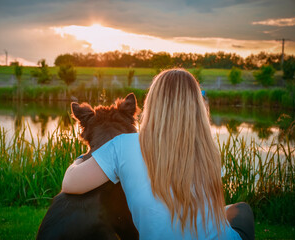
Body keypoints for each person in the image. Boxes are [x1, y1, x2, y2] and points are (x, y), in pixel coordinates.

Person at [62, 68, 254, 239]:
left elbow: (69, 184)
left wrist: (82, 159)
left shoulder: (122, 146)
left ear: (151, 104)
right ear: (197, 108)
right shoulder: (207, 150)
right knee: (241, 210)